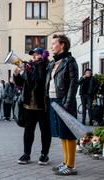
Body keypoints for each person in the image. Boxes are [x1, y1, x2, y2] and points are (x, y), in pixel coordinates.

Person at [46, 34, 79, 175]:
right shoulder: (53, 63)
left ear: (62, 45)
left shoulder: (69, 61)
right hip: (54, 101)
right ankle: (65, 162)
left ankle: (71, 166)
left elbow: (73, 83)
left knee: (69, 134)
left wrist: (68, 102)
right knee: (61, 134)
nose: (51, 46)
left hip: (64, 102)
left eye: (54, 43)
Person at [13, 47, 51, 165]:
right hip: (28, 105)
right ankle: (26, 154)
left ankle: (44, 154)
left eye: (36, 54)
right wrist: (16, 75)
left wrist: (36, 66)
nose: (33, 56)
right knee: (28, 131)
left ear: (42, 55)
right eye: (32, 54)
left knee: (45, 131)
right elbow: (21, 84)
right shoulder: (29, 67)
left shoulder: (46, 65)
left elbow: (40, 80)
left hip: (43, 105)